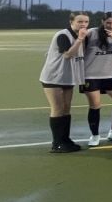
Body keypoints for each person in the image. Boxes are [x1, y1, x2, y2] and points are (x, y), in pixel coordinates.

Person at [39, 12, 90, 152]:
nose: (83, 24)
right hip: (53, 77)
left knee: (66, 108)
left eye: (86, 22)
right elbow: (68, 55)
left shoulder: (83, 36)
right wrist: (80, 39)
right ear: (71, 22)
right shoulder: (63, 35)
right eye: (80, 21)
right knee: (57, 108)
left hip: (68, 77)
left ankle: (65, 139)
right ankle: (57, 143)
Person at [82, 11, 112, 147]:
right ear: (103, 22)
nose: (111, 25)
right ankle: (95, 135)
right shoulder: (91, 33)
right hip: (91, 75)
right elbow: (79, 50)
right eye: (108, 23)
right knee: (95, 105)